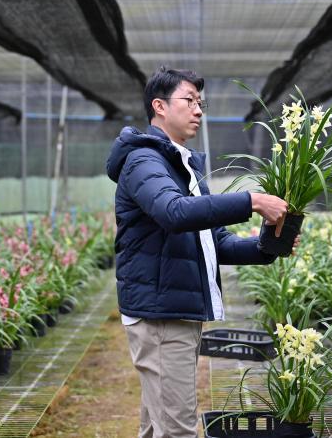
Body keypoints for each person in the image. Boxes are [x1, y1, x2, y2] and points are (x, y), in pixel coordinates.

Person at [106, 66, 298, 438]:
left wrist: (267, 247)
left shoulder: (182, 165)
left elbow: (216, 242)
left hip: (173, 311)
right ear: (159, 106)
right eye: (189, 100)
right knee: (178, 428)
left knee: (158, 426)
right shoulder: (144, 161)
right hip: (161, 317)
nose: (198, 110)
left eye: (200, 103)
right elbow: (174, 212)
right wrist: (252, 201)